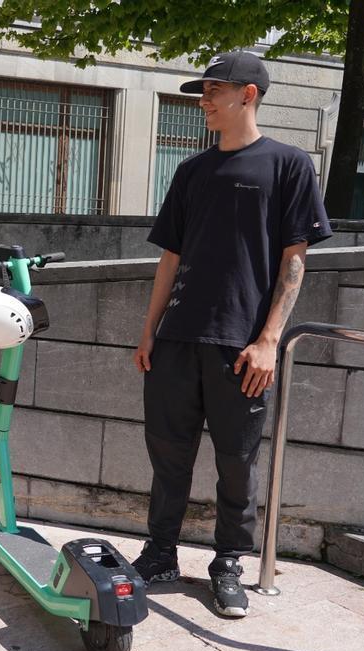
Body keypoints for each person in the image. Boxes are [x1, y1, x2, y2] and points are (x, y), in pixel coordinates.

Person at [132, 51, 331, 618]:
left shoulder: (288, 165)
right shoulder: (192, 171)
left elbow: (295, 260)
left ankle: (227, 565)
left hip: (241, 343)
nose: (204, 100)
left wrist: (270, 340)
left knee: (236, 460)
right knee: (168, 454)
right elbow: (169, 258)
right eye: (203, 91)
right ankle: (161, 553)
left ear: (248, 94)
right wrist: (149, 332)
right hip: (176, 340)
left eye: (214, 89)